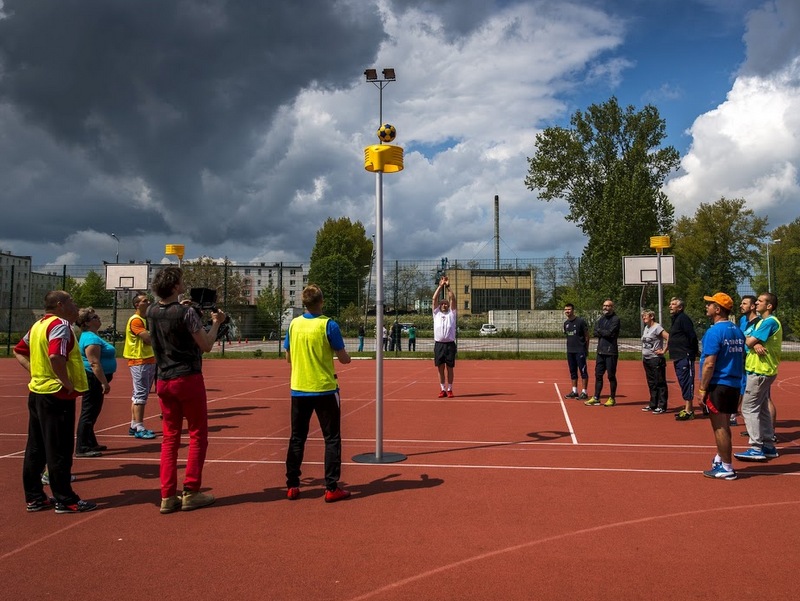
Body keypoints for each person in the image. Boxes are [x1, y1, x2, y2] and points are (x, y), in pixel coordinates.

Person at [147, 266, 225, 514]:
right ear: (175, 286)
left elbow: (169, 316)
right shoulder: (186, 313)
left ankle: (167, 495)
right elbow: (207, 345)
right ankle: (191, 490)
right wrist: (216, 324)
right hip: (187, 377)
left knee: (170, 439)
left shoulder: (151, 310)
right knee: (197, 435)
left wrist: (187, 308)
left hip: (163, 378)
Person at [14, 290, 97, 513]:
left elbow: (19, 350)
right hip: (56, 394)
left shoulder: (38, 325)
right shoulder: (60, 325)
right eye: (71, 301)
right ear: (60, 305)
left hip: (38, 392)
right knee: (59, 448)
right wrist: (66, 382)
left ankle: (34, 497)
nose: (75, 304)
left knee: (36, 447)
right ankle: (65, 499)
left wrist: (36, 372)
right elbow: (55, 356)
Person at [284, 284, 352, 502]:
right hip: (324, 388)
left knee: (297, 438)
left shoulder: (294, 325)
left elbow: (288, 357)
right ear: (321, 301)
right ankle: (331, 487)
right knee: (331, 438)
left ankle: (292, 485)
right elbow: (343, 358)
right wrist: (347, 357)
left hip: (299, 387)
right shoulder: (328, 325)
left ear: (304, 303)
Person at [699, 292, 744, 480]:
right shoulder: (737, 330)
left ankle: (726, 467)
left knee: (720, 427)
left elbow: (710, 363)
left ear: (718, 309)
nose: (707, 307)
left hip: (719, 383)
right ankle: (721, 458)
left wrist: (702, 388)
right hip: (733, 382)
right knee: (725, 425)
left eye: (710, 304)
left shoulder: (714, 332)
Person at [734, 292, 781, 462]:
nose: (757, 303)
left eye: (760, 301)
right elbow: (750, 340)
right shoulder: (763, 322)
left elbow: (747, 342)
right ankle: (768, 445)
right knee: (761, 408)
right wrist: (754, 342)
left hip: (760, 370)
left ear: (769, 306)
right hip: (762, 369)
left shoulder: (768, 322)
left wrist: (752, 341)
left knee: (748, 408)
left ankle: (755, 447)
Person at [75, 307, 117, 457]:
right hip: (93, 379)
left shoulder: (93, 336)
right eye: (94, 317)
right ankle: (82, 446)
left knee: (93, 411)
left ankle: (90, 441)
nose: (98, 319)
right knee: (89, 412)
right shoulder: (91, 338)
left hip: (96, 378)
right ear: (86, 323)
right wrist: (104, 382)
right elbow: (94, 363)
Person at [123, 294, 157, 439]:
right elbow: (148, 339)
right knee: (140, 395)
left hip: (147, 359)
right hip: (139, 360)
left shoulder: (145, 319)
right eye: (144, 301)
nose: (148, 302)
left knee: (139, 394)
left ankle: (133, 424)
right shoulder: (136, 320)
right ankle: (139, 427)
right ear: (137, 304)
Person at [666, 297, 700, 421]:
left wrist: (694, 351)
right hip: (677, 356)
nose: (670, 306)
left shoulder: (684, 319)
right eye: (670, 304)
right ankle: (687, 408)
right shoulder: (675, 319)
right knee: (682, 381)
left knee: (687, 381)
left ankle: (689, 410)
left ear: (680, 307)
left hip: (685, 355)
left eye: (673, 304)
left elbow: (692, 336)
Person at [585, 299, 620, 407]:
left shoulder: (615, 319)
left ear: (612, 307)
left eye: (608, 306)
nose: (605, 308)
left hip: (611, 352)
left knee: (611, 376)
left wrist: (601, 332)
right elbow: (595, 332)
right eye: (604, 305)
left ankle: (612, 398)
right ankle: (596, 397)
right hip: (600, 351)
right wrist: (601, 332)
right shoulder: (601, 319)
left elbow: (610, 333)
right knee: (598, 375)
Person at [433, 276, 457, 398]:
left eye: (446, 304)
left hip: (450, 345)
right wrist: (440, 285)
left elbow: (452, 298)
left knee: (450, 368)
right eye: (442, 304)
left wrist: (447, 286)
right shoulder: (436, 314)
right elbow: (434, 298)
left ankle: (450, 389)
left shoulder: (452, 314)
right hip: (439, 345)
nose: (444, 305)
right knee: (440, 368)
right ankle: (442, 389)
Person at [640, 309, 669, 413]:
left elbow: (668, 337)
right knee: (651, 382)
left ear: (652, 316)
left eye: (645, 316)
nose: (643, 318)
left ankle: (662, 405)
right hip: (646, 359)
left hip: (655, 359)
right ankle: (653, 404)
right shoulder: (646, 328)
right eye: (643, 316)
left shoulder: (657, 327)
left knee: (659, 382)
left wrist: (664, 350)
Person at [563, 303, 589, 400]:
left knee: (583, 371)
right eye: (566, 309)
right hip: (570, 351)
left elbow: (587, 336)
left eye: (569, 309)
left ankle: (584, 392)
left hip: (580, 350)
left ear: (573, 310)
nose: (567, 311)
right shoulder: (566, 323)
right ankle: (574, 391)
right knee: (572, 371)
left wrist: (586, 349)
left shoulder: (580, 321)